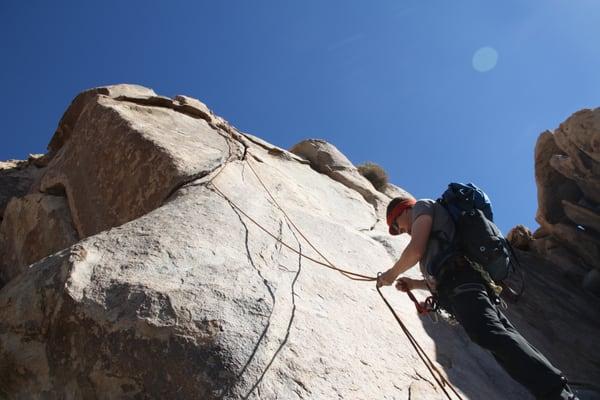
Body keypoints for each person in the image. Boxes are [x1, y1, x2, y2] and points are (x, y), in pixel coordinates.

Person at [376, 195, 579, 400]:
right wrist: (414, 284)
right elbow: (439, 275)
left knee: (491, 335)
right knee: (500, 340)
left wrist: (390, 274)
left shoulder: (422, 206)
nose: (400, 230)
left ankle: (557, 393)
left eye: (396, 225)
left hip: (463, 284)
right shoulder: (435, 236)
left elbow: (415, 250)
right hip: (463, 285)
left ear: (403, 209)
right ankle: (557, 392)